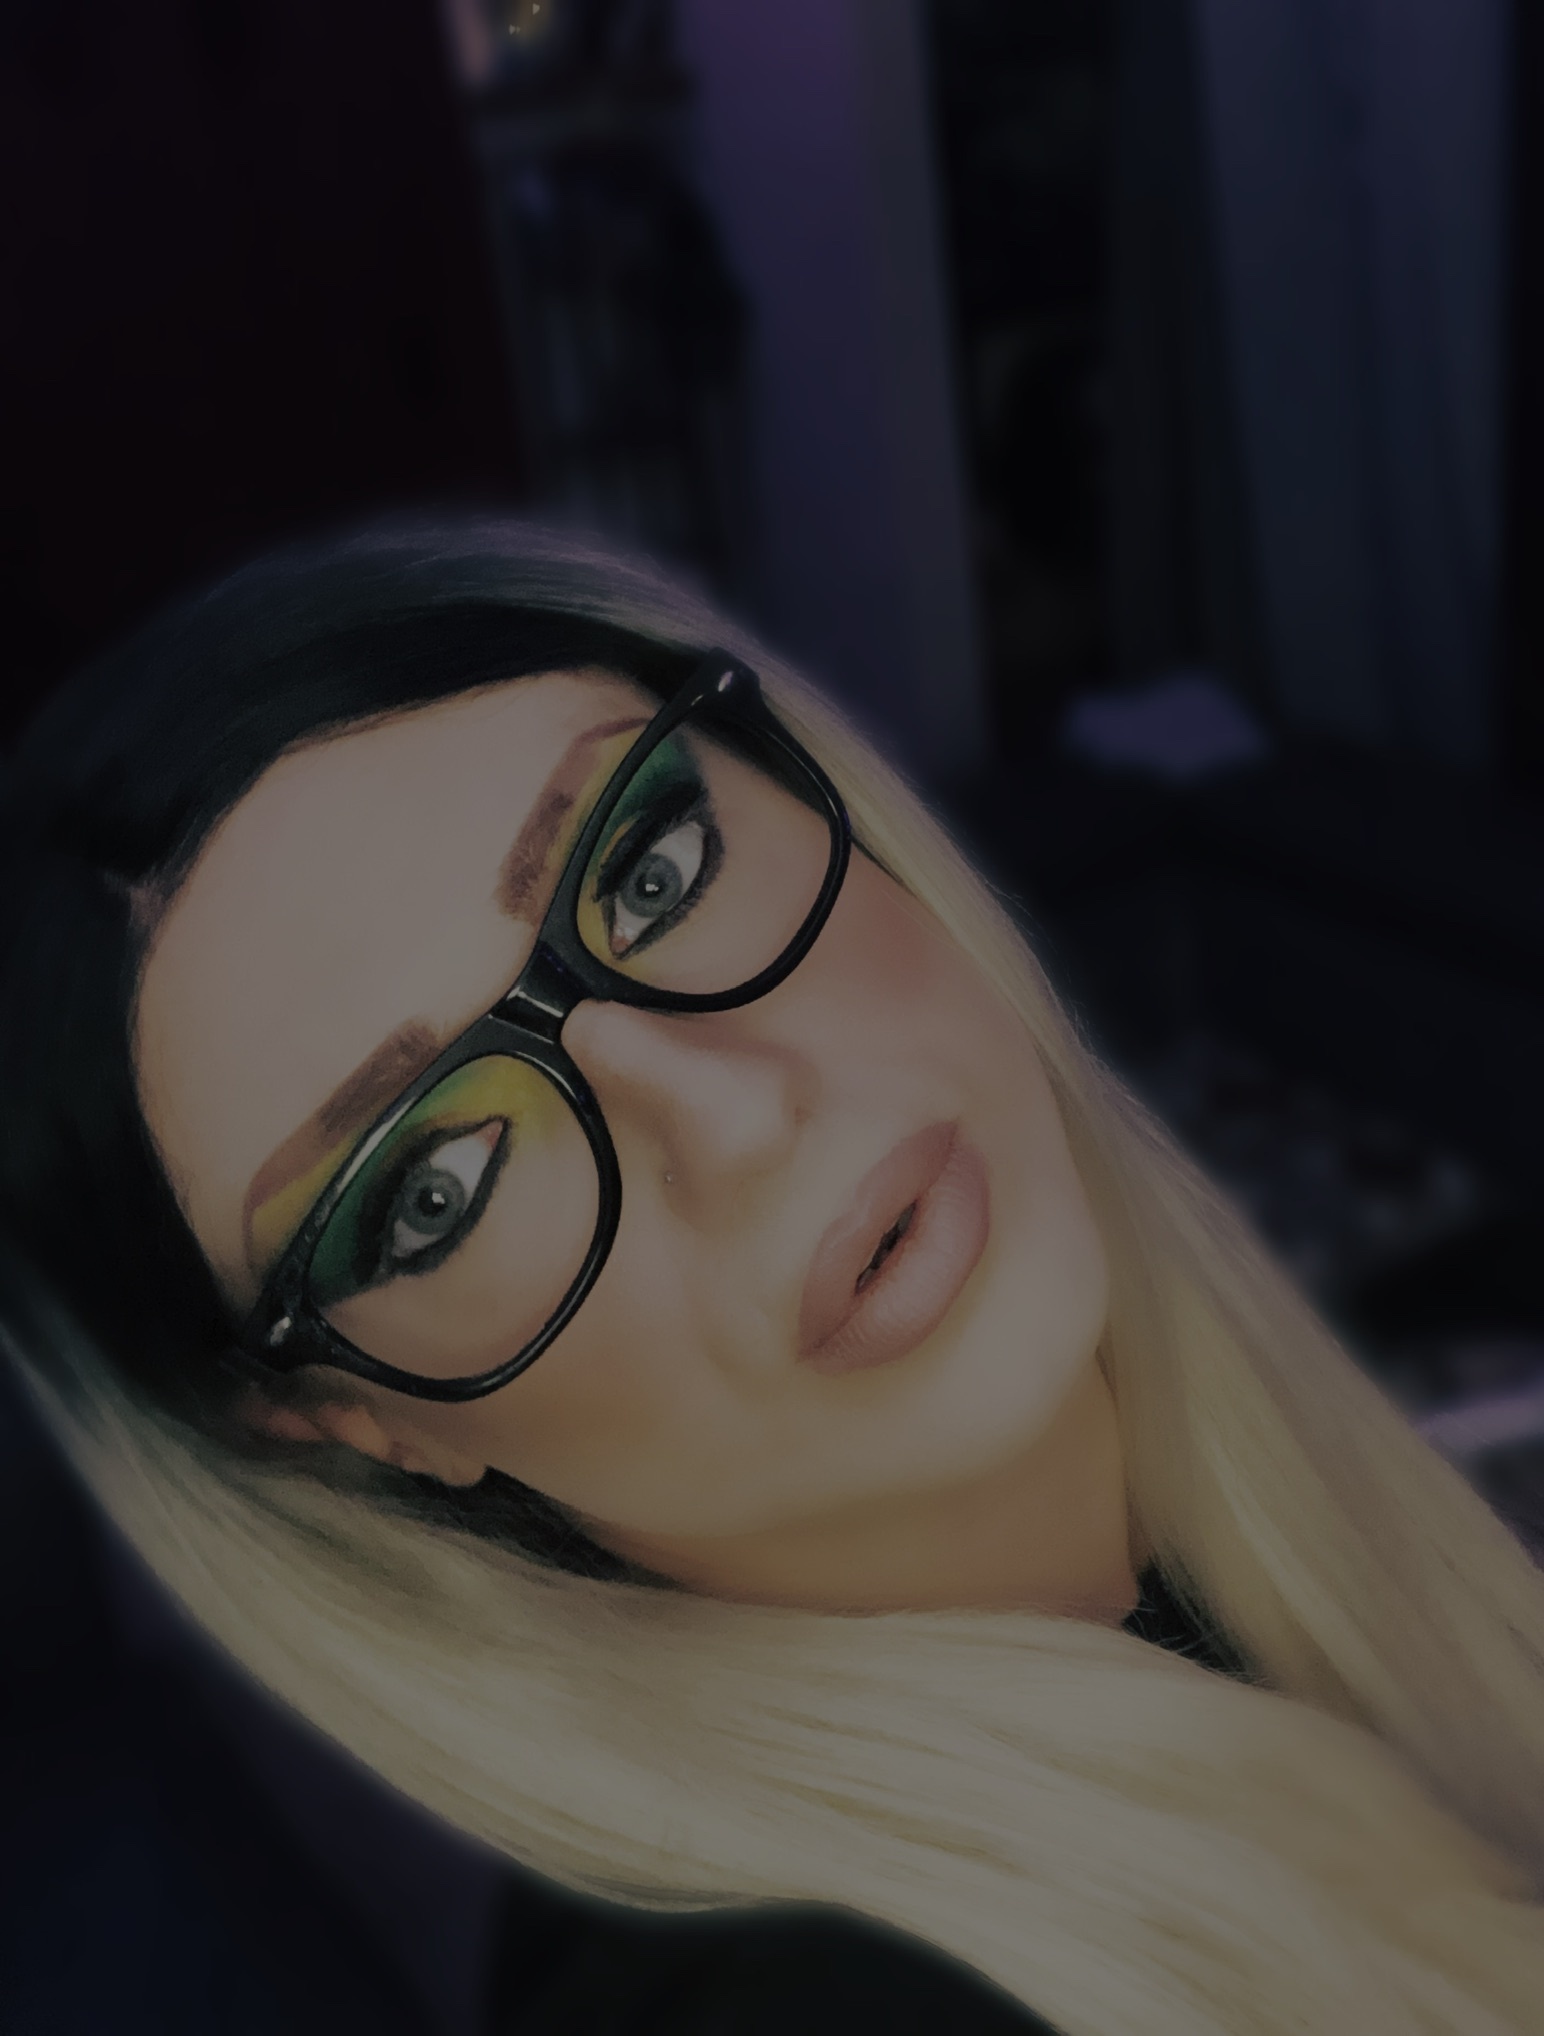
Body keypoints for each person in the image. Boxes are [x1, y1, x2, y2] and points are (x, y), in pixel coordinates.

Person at [1, 518, 1542, 2036]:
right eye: (436, 1188)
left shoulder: (1289, 1518)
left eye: (651, 868)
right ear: (353, 1425)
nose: (735, 1120)